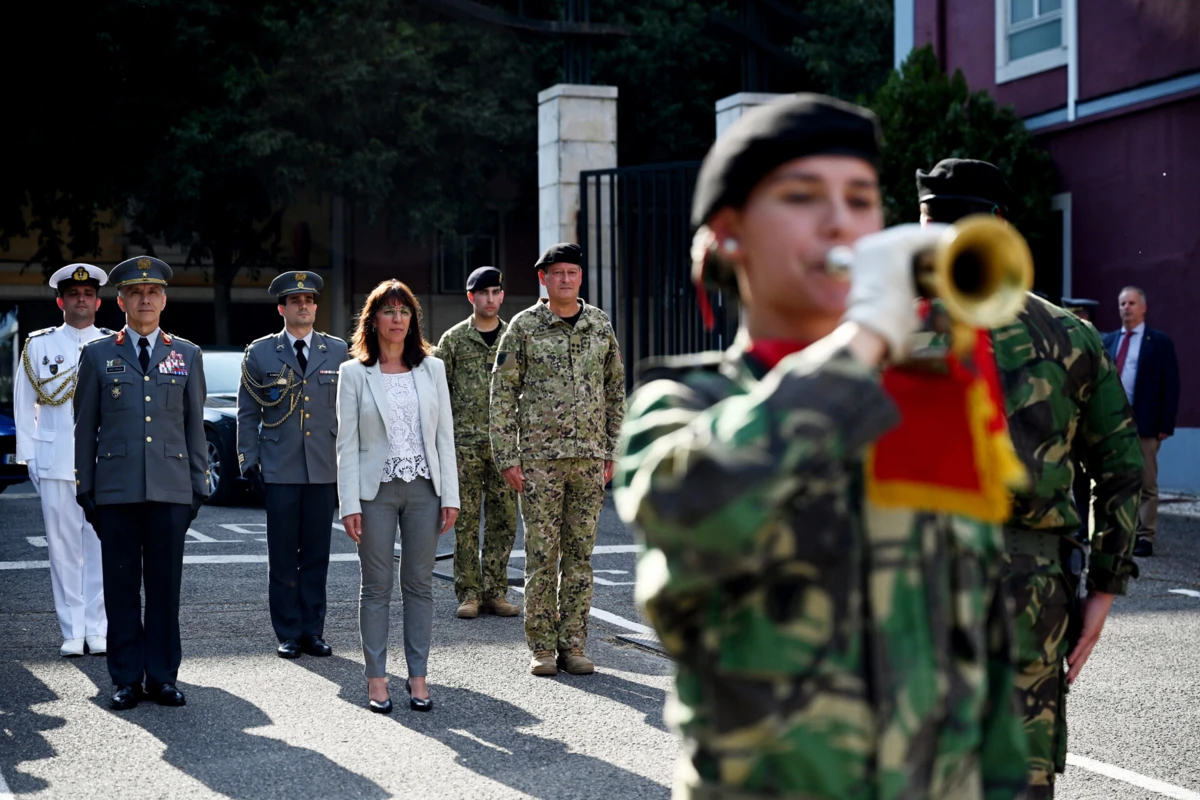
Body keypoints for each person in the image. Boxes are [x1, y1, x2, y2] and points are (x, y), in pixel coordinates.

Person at [615, 96, 1027, 799]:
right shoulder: (686, 405)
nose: (841, 221)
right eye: (803, 197)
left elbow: (981, 656)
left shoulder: (923, 406)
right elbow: (695, 508)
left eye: (862, 199)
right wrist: (864, 337)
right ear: (731, 233)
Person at [918, 158, 1143, 798]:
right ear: (997, 226)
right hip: (1031, 588)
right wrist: (1104, 588)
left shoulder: (876, 332)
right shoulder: (1069, 334)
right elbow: (1122, 466)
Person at [74, 256, 208, 710]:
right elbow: (84, 427)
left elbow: (194, 427)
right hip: (116, 490)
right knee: (121, 588)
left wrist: (198, 486)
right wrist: (85, 488)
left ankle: (163, 677)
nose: (145, 298)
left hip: (171, 489)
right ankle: (127, 678)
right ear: (121, 300)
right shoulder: (96, 355)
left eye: (152, 292)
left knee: (166, 589)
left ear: (164, 299)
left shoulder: (186, 354)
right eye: (135, 292)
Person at [490, 243, 626, 677]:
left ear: (580, 277)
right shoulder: (523, 326)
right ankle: (543, 648)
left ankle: (575, 645)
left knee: (581, 556)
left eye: (572, 272)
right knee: (542, 555)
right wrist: (506, 455)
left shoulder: (599, 323)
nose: (565, 279)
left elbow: (615, 389)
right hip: (540, 460)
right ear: (542, 279)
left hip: (588, 458)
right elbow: (503, 391)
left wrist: (614, 449)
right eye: (557, 273)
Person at [335, 280, 459, 713]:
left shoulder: (433, 369)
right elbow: (346, 444)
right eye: (388, 311)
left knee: (420, 585)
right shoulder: (353, 373)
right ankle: (376, 679)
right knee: (376, 587)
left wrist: (451, 495)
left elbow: (445, 435)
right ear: (373, 320)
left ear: (413, 319)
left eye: (404, 311)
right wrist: (349, 504)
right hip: (375, 494)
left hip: (425, 489)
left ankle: (419, 678)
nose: (397, 319)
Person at [237, 270, 348, 659]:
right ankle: (287, 631)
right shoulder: (261, 353)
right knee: (283, 556)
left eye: (310, 300)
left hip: (323, 467)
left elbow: (348, 412)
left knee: (317, 556)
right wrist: (247, 461)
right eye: (296, 301)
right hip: (280, 466)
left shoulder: (337, 351)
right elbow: (248, 412)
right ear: (282, 308)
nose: (304, 306)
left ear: (316, 307)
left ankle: (313, 631)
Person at [14, 263, 111, 658]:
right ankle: (72, 629)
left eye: (87, 294)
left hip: (104, 461)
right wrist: (30, 457)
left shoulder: (112, 343)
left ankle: (98, 627)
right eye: (74, 294)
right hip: (55, 460)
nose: (81, 299)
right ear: (61, 301)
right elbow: (24, 403)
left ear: (99, 302)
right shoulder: (39, 345)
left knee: (102, 548)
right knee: (62, 547)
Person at [433, 266, 519, 620]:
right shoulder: (452, 341)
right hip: (464, 445)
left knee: (504, 519)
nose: (490, 299)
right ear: (471, 297)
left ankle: (496, 591)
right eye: (483, 293)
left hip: (504, 447)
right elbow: (438, 396)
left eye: (496, 292)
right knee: (465, 520)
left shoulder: (513, 338)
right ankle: (469, 592)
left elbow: (521, 389)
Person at [1102, 287, 1179, 558]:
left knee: (1146, 481)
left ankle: (1145, 537)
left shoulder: (1158, 342)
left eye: (1132, 303)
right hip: (1113, 424)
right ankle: (1116, 532)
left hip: (1145, 423)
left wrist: (1165, 424)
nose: (1127, 307)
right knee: (1115, 480)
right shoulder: (1108, 341)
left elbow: (1171, 385)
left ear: (1143, 307)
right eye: (1122, 303)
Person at [1061, 297, 1100, 538]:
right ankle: (1084, 526)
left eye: (1079, 315)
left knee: (1101, 478)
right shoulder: (1062, 346)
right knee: (1078, 481)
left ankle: (1101, 530)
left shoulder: (1099, 343)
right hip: (1073, 424)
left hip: (1094, 423)